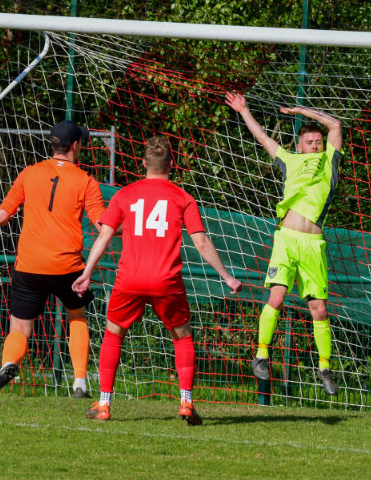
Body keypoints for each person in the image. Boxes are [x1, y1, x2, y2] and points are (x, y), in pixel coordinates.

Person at [72, 135, 242, 424]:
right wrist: (227, 277)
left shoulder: (125, 195)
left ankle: (104, 404)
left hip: (130, 278)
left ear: (143, 163)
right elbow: (201, 242)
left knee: (113, 334)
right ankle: (186, 402)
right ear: (172, 164)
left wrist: (87, 273)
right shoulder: (183, 198)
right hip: (166, 280)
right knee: (183, 336)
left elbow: (104, 235)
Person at [225, 91, 342, 396]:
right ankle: (261, 356)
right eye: (309, 142)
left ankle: (325, 368)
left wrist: (302, 111)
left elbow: (335, 125)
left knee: (319, 309)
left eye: (318, 142)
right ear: (299, 146)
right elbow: (261, 136)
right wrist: (243, 110)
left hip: (313, 245)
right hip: (286, 240)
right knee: (276, 298)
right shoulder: (289, 160)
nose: (314, 145)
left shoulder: (329, 161)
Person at [0, 120, 106, 398]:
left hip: (30, 265)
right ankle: (80, 383)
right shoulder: (86, 180)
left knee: (20, 326)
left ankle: (9, 364)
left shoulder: (29, 173)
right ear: (75, 145)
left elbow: (0, 217)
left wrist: (18, 213)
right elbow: (102, 224)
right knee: (77, 316)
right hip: (67, 266)